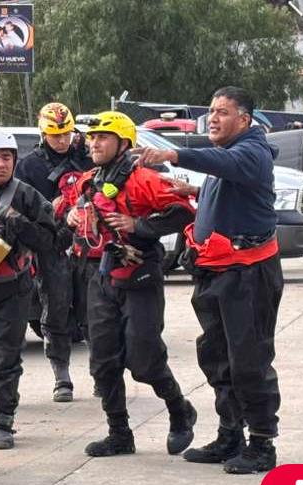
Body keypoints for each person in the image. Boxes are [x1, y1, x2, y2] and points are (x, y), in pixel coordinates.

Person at [137, 86, 283, 474]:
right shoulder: (230, 156)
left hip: (248, 274)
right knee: (216, 357)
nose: (213, 118)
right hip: (216, 270)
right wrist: (196, 190)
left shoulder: (252, 151)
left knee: (249, 360)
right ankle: (230, 433)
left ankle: (262, 443)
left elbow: (235, 168)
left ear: (245, 119)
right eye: (212, 111)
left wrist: (174, 153)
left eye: (222, 112)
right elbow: (232, 183)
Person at [72, 111, 197, 458]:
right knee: (103, 361)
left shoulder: (146, 180)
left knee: (144, 359)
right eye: (92, 137)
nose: (94, 143)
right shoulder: (87, 180)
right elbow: (71, 210)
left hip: (140, 275)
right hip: (101, 277)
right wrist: (69, 214)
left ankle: (179, 410)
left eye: (103, 137)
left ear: (123, 143)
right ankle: (119, 433)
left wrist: (138, 225)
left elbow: (185, 211)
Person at [0, 126, 56, 449]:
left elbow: (50, 241)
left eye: (6, 157)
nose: (0, 164)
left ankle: (3, 419)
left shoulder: (27, 196)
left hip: (13, 289)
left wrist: (16, 221)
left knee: (3, 357)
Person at [16, 102, 94, 402]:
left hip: (89, 242)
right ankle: (62, 376)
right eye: (54, 134)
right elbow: (22, 206)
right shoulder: (30, 165)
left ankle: (101, 371)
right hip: (51, 245)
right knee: (56, 309)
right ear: (43, 132)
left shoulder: (87, 158)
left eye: (65, 133)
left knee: (93, 310)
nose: (61, 140)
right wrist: (54, 208)